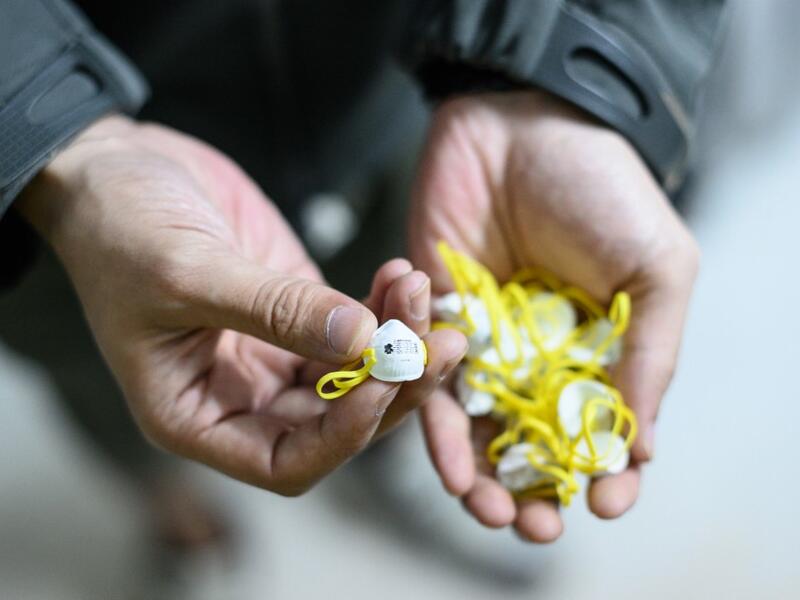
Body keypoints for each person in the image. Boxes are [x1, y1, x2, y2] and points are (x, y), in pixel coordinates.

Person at [0, 0, 726, 546]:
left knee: (395, 365)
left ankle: (379, 463)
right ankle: (160, 495)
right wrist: (57, 140)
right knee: (118, 387)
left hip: (403, 101)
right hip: (56, 209)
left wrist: (570, 59)